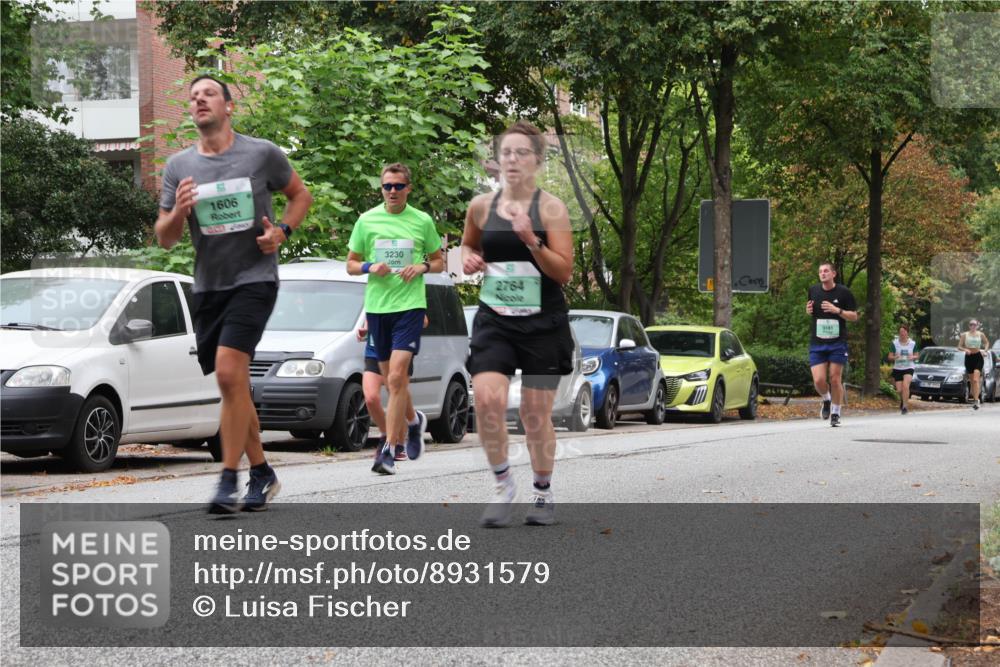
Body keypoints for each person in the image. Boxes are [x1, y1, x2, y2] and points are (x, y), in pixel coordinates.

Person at [155, 75, 313, 513]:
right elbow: (165, 237)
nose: (198, 100)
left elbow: (300, 195)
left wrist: (282, 231)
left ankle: (228, 479)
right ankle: (262, 471)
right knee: (235, 385)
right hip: (209, 287)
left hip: (255, 280)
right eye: (192, 96)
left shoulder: (260, 153)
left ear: (228, 107)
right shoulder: (178, 167)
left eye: (208, 94)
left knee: (228, 373)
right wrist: (180, 212)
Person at [461, 121, 575, 527]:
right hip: (496, 318)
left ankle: (542, 492)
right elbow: (468, 244)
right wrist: (468, 258)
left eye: (521, 153)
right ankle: (503, 484)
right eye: (506, 152)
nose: (512, 159)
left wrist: (531, 240)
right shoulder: (481, 206)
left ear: (537, 162)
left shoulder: (551, 209)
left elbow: (563, 272)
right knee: (487, 400)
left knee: (533, 415)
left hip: (543, 322)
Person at [346, 163, 444, 474]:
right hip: (378, 309)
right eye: (387, 186)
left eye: (398, 186)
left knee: (399, 376)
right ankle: (414, 422)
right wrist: (368, 267)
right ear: (381, 189)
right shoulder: (367, 220)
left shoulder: (422, 220)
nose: (392, 191)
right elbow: (351, 263)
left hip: (410, 307)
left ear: (408, 189)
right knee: (391, 381)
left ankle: (388, 449)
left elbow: (439, 261)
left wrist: (422, 268)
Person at [356, 315, 428, 462]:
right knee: (370, 398)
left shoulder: (404, 295)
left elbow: (424, 321)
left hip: (399, 350)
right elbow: (370, 317)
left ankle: (395, 444)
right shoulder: (374, 294)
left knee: (395, 392)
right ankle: (391, 434)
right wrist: (365, 329)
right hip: (374, 351)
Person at [805, 262, 859, 427]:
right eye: (820, 271)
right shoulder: (813, 290)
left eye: (826, 271)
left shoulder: (844, 293)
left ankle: (836, 413)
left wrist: (838, 311)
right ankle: (826, 400)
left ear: (833, 274)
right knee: (819, 381)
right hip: (818, 342)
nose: (823, 273)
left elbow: (855, 316)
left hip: (837, 343)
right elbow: (811, 310)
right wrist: (808, 310)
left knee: (835, 379)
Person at [958, 319, 990, 410]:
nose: (973, 326)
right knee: (972, 381)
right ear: (969, 326)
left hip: (978, 357)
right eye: (971, 324)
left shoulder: (981, 334)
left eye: (975, 324)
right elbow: (959, 346)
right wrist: (965, 350)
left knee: (976, 379)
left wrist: (985, 351)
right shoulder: (964, 335)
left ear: (977, 325)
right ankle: (976, 399)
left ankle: (976, 400)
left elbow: (987, 342)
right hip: (968, 358)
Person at [887, 324, 918, 415]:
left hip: (909, 367)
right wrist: (895, 357)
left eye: (904, 332)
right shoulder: (894, 343)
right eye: (900, 332)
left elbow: (917, 355)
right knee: (900, 390)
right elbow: (889, 356)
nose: (902, 333)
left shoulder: (912, 344)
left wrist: (913, 357)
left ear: (907, 332)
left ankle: (905, 407)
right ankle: (903, 400)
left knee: (905, 386)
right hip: (898, 368)